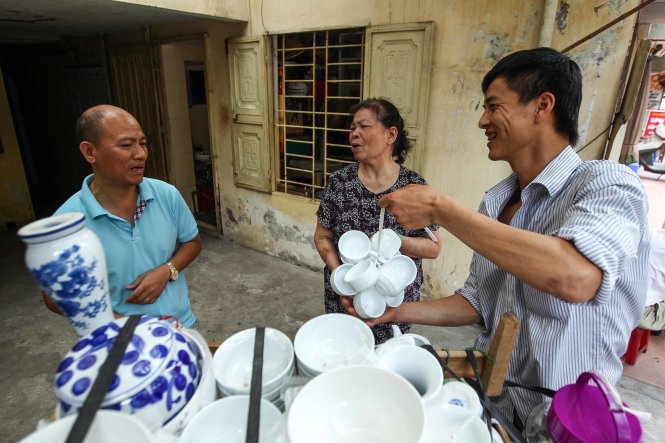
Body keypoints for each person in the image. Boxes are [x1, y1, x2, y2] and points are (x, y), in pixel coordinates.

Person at [361, 48, 650, 426]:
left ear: (542, 106)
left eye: (494, 106)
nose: (482, 121)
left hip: (567, 422)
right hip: (495, 404)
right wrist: (397, 312)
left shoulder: (607, 184)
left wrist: (442, 209)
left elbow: (575, 276)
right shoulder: (497, 201)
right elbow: (479, 301)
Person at [43, 105, 203, 328]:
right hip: (118, 340)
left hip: (181, 326)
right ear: (90, 152)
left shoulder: (167, 195)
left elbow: (192, 242)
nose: (140, 154)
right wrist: (116, 322)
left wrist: (167, 270)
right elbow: (53, 298)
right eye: (126, 145)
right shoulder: (65, 224)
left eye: (143, 143)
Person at [314, 98, 442, 344]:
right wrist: (342, 276)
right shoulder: (340, 182)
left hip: (393, 299)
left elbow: (434, 246)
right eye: (352, 128)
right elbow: (322, 236)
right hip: (346, 299)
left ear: (390, 135)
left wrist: (395, 241)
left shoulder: (413, 186)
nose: (355, 134)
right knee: (346, 351)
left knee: (387, 361)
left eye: (364, 126)